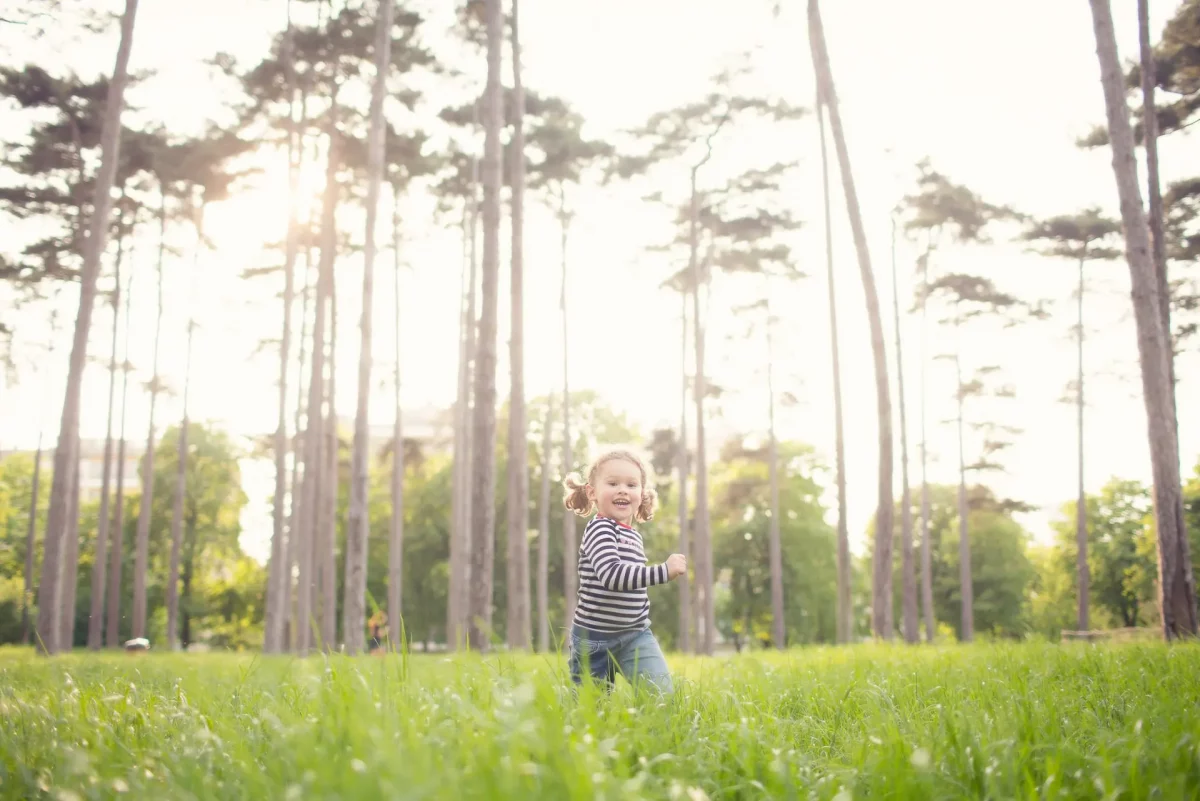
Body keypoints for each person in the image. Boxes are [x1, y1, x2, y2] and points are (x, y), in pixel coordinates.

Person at [563, 448, 687, 695]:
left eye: (631, 485)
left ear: (641, 494)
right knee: (591, 710)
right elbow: (612, 576)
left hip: (635, 634)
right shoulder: (600, 529)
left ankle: (657, 733)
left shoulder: (632, 535)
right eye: (612, 483)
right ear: (592, 492)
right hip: (594, 641)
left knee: (661, 696)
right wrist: (664, 571)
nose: (622, 489)